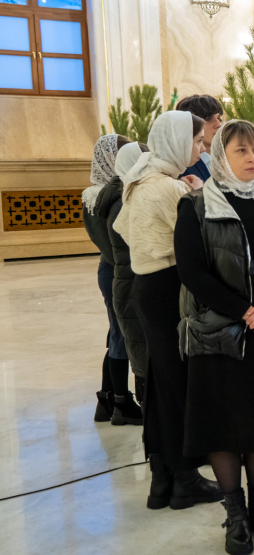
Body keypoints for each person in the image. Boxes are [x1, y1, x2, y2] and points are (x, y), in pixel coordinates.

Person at [175, 119, 254, 555]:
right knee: (224, 426)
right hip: (217, 335)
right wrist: (248, 312)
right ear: (221, 157)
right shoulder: (195, 206)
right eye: (242, 151)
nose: (253, 159)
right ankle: (234, 514)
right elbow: (193, 272)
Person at [114, 110, 223, 511]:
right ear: (179, 141)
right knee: (181, 386)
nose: (200, 149)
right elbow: (204, 239)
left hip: (146, 287)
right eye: (197, 141)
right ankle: (185, 480)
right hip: (171, 288)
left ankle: (163, 481)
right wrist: (197, 195)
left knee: (161, 384)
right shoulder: (168, 189)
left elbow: (123, 230)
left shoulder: (139, 181)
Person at [82, 134, 143, 426]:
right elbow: (114, 243)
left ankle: (106, 400)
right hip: (117, 268)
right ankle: (121, 402)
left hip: (109, 268)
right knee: (121, 334)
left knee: (116, 332)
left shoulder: (96, 193)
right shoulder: (109, 195)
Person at [98, 141, 150, 410]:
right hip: (127, 275)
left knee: (122, 336)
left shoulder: (118, 194)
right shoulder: (121, 200)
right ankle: (121, 402)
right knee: (127, 339)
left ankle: (112, 401)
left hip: (122, 273)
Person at [176, 95, 224, 181]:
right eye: (209, 119)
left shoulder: (227, 160)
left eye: (218, 118)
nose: (218, 125)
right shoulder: (182, 169)